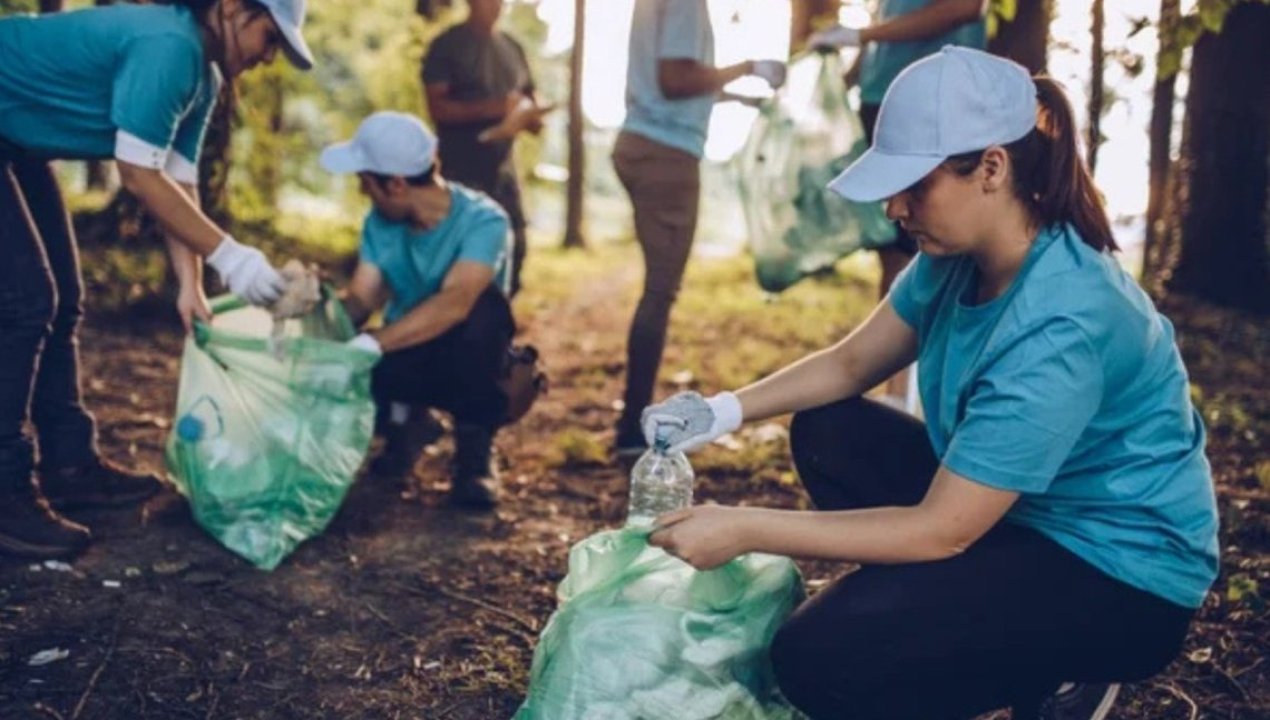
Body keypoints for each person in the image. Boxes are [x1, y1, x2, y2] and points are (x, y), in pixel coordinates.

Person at [641, 48, 1219, 720]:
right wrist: (720, 411)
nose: (894, 206)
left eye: (915, 184)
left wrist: (745, 528)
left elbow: (941, 531)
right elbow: (851, 365)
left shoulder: (1065, 322)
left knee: (816, 661)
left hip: (1118, 580)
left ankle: (1057, 671)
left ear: (992, 169)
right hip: (1019, 518)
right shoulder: (958, 255)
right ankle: (945, 623)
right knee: (830, 428)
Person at [0, 0, 312, 559]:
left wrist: (190, 284)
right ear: (234, 9)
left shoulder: (205, 76)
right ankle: (5, 494)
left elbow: (177, 181)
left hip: (19, 141)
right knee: (27, 303)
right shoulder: (170, 45)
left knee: (65, 299)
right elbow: (138, 175)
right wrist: (233, 258)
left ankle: (70, 465)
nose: (269, 59)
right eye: (270, 39)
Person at [612, 0, 788, 458]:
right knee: (660, 291)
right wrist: (748, 67)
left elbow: (674, 80)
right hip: (665, 152)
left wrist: (739, 96)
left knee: (658, 289)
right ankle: (631, 428)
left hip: (641, 140)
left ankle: (631, 419)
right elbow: (675, 81)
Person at [321, 111, 516, 510]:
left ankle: (475, 458)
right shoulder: (380, 223)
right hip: (405, 350)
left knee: (485, 311)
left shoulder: (485, 221)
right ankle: (408, 427)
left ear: (394, 184)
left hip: (467, 356)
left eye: (366, 182)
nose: (364, 192)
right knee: (354, 366)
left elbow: (456, 302)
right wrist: (316, 305)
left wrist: (373, 343)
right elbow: (361, 299)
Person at [811, 0, 988, 406]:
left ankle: (922, 395)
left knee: (931, 244)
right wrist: (846, 71)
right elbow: (888, 27)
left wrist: (862, 35)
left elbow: (962, 9)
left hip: (934, 107)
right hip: (883, 100)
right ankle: (896, 392)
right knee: (896, 246)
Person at [422, 0, 550, 297]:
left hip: (504, 169)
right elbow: (437, 107)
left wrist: (531, 118)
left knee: (514, 246)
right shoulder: (447, 46)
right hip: (460, 169)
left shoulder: (512, 48)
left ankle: (497, 324)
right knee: (455, 253)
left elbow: (529, 98)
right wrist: (495, 109)